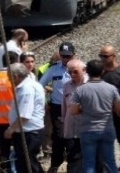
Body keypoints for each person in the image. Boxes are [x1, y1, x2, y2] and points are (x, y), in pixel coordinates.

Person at [69, 59, 120, 173]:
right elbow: (119, 108)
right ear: (102, 71)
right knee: (110, 162)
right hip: (107, 128)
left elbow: (73, 111)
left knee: (89, 163)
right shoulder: (111, 88)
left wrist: (83, 110)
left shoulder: (80, 90)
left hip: (88, 130)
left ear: (87, 72)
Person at [38, 42, 76, 173]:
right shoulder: (53, 69)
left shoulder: (80, 68)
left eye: (68, 56)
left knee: (72, 137)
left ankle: (73, 165)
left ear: (74, 55)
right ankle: (55, 165)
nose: (66, 59)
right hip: (57, 107)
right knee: (59, 136)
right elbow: (40, 84)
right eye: (63, 56)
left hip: (74, 108)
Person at [5, 63, 46, 173]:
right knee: (25, 162)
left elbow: (24, 115)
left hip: (30, 132)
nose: (8, 79)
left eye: (9, 76)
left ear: (15, 76)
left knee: (28, 163)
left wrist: (10, 129)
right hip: (28, 131)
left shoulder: (26, 89)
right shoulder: (28, 85)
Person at [99, 43, 120, 172]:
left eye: (105, 56)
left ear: (113, 56)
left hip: (117, 110)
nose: (102, 59)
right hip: (103, 111)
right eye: (101, 56)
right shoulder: (100, 72)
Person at [61, 59, 87, 173]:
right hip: (71, 129)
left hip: (87, 130)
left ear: (84, 70)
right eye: (70, 72)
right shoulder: (67, 86)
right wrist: (63, 122)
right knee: (73, 160)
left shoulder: (91, 85)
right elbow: (64, 107)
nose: (72, 74)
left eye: (75, 71)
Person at [38, 50, 60, 159]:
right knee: (47, 128)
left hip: (58, 101)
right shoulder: (43, 69)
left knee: (58, 128)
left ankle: (60, 151)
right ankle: (47, 151)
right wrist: (53, 90)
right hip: (47, 102)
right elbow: (39, 84)